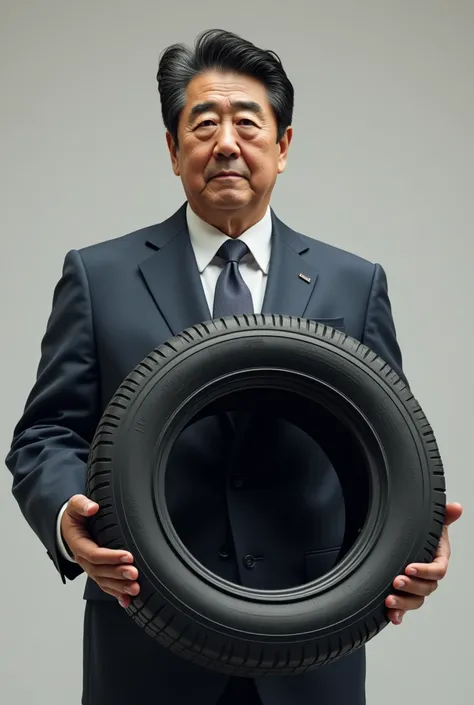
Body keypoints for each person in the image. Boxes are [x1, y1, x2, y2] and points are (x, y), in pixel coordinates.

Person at [5, 28, 462, 705]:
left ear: (283, 146)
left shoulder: (352, 283)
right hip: (148, 644)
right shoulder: (100, 276)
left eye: (248, 123)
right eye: (203, 124)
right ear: (172, 148)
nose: (226, 144)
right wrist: (68, 515)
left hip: (309, 645)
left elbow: (389, 450)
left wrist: (418, 540)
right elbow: (46, 435)